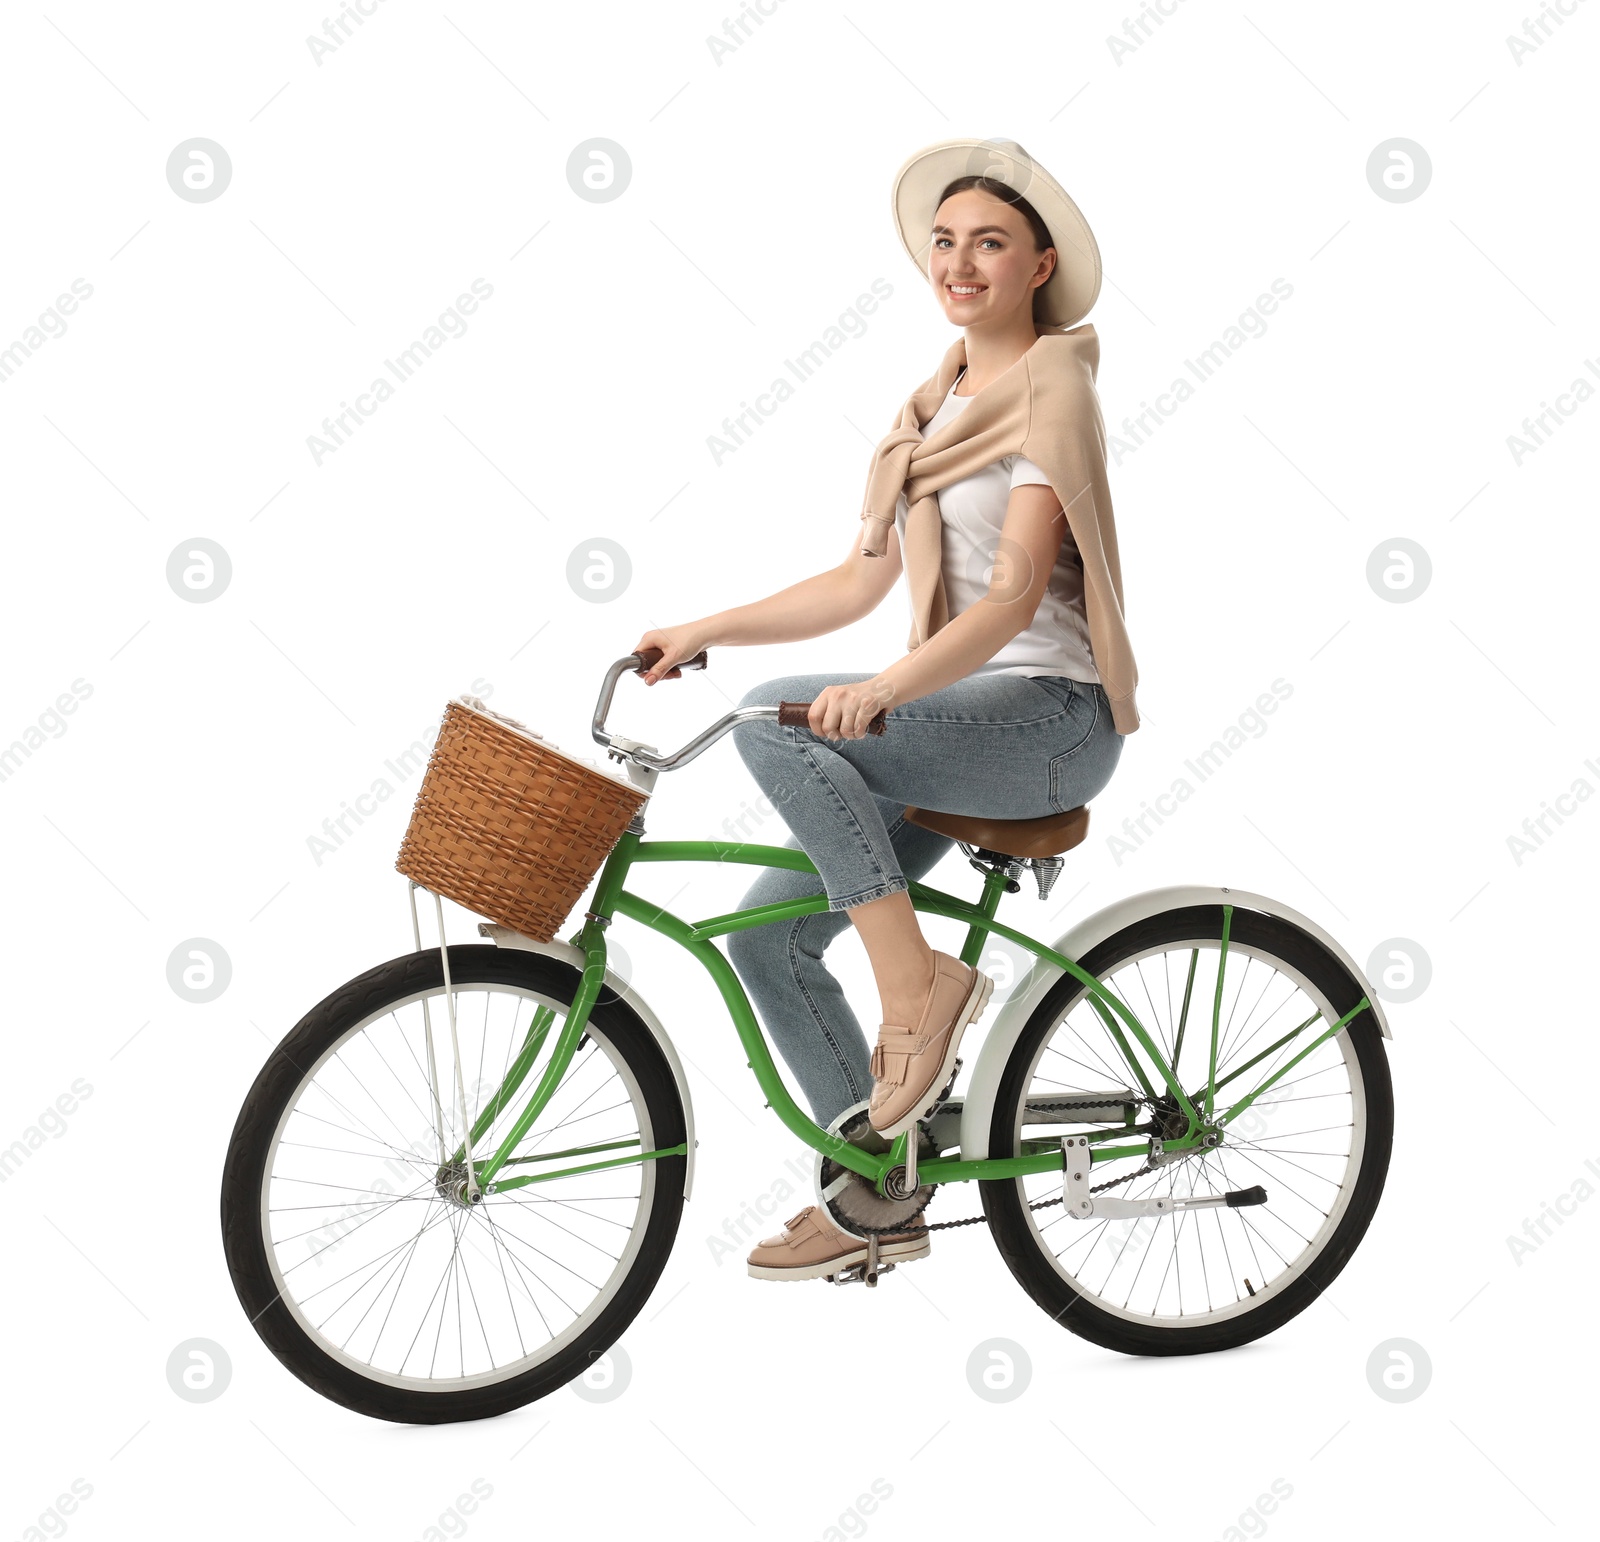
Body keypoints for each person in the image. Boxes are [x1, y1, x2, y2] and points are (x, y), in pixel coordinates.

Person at [630, 137, 1140, 1283]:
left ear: (1038, 264)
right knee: (766, 935)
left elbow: (1012, 596)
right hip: (963, 715)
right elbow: (856, 584)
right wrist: (704, 625)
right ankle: (878, 1192)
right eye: (944, 242)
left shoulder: (1051, 386)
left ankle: (916, 984)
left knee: (779, 720)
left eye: (989, 243)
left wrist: (882, 690)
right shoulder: (927, 409)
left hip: (1052, 723)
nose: (959, 262)